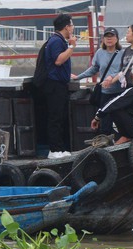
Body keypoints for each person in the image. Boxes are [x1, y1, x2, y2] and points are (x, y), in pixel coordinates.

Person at [41, 14, 79, 159]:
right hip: (54, 85)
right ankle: (54, 150)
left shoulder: (58, 40)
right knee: (55, 118)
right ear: (66, 27)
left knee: (60, 117)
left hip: (60, 83)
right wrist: (72, 46)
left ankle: (60, 148)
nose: (73, 28)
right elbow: (58, 61)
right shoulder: (56, 41)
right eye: (72, 25)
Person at [91, 62, 133, 145]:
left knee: (114, 108)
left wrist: (97, 117)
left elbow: (113, 103)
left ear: (131, 75)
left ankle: (126, 136)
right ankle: (124, 135)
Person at [103, 23, 133, 94]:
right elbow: (122, 71)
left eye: (128, 33)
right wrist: (110, 82)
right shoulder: (127, 50)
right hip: (127, 87)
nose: (126, 35)